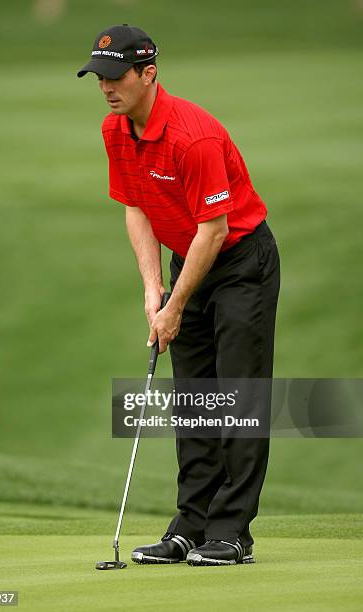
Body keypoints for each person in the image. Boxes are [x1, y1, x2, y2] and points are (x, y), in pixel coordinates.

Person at [77, 24, 280, 566]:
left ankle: (233, 530)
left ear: (149, 74)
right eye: (99, 77)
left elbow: (213, 231)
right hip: (186, 259)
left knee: (236, 397)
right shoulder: (115, 131)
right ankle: (191, 523)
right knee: (194, 400)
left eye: (115, 76)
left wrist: (177, 303)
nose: (106, 88)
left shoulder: (193, 136)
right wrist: (153, 290)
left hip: (239, 263)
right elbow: (136, 206)